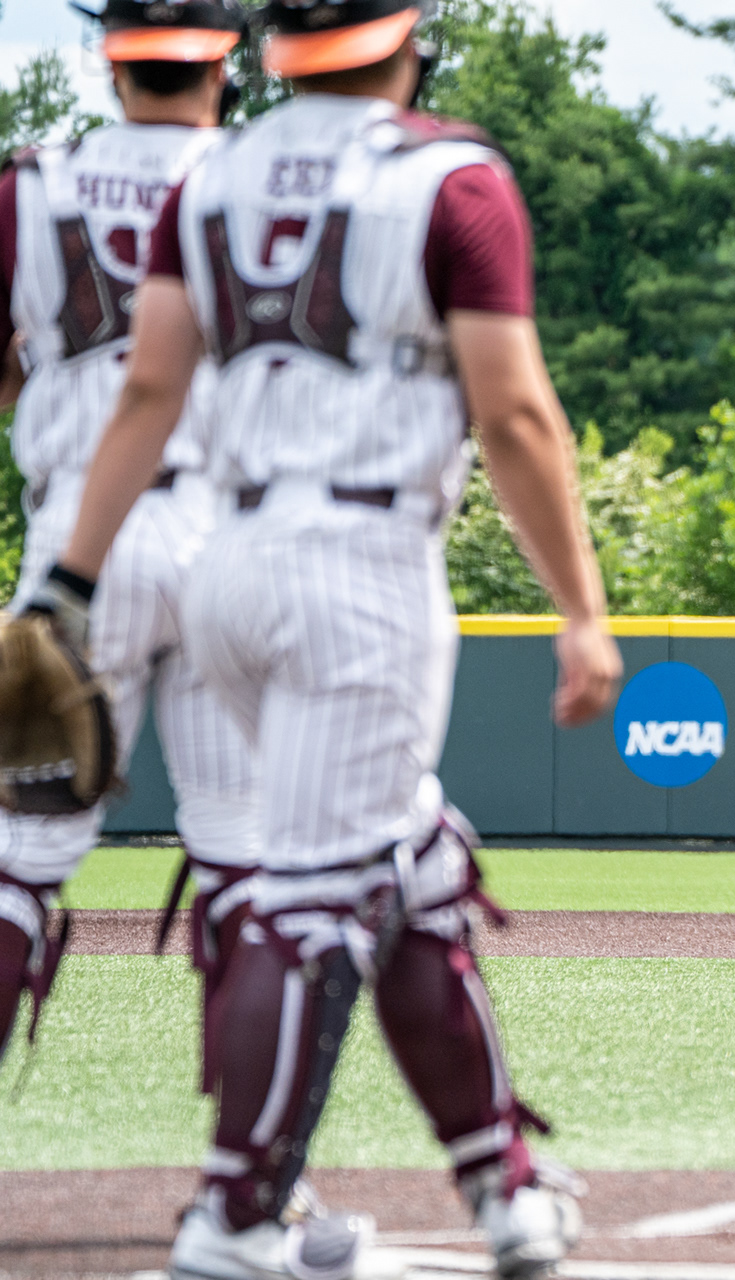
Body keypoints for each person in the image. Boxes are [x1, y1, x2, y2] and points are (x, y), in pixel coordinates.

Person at [44, 1, 623, 1274]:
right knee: (308, 899)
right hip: (359, 572)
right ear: (409, 40)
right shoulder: (452, 177)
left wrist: (69, 581)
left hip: (228, 563)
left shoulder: (215, 174)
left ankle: (505, 1181)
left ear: (267, 47)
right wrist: (582, 608)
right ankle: (238, 1214)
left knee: (407, 862)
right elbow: (515, 411)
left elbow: (149, 389)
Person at [0, 0, 260, 1078]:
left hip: (78, 529)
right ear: (228, 67)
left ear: (111, 65)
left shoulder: (30, 184)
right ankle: (257, 1184)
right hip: (237, 535)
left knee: (19, 858)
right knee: (250, 858)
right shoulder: (265, 179)